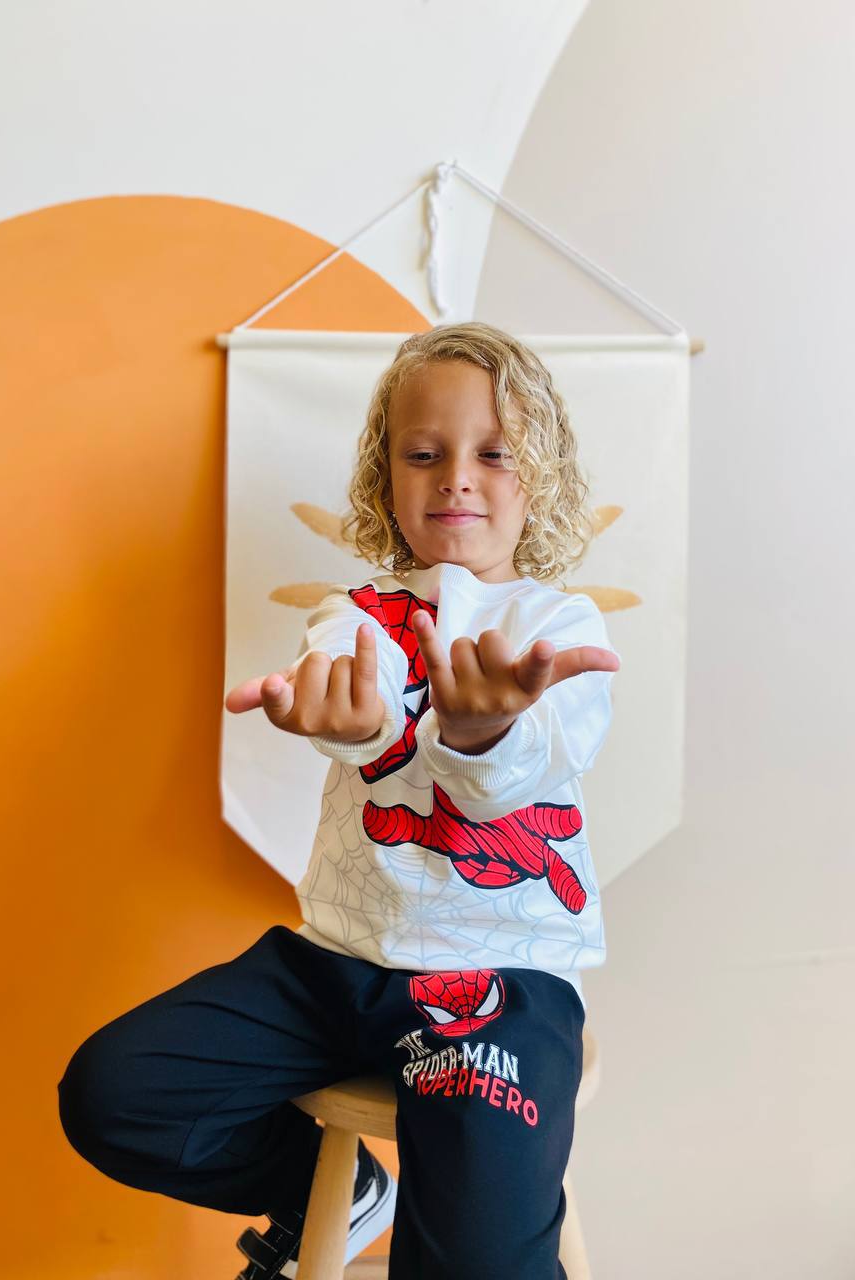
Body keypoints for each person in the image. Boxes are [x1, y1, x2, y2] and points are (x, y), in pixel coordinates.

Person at [57, 321, 621, 1279]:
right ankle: (344, 1189)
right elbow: (353, 690)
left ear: (541, 477)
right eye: (424, 454)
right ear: (384, 478)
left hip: (496, 981)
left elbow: (529, 770)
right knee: (116, 1093)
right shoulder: (354, 614)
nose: (456, 478)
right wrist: (350, 723)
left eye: (493, 454)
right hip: (337, 963)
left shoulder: (560, 628)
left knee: (478, 1259)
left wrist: (481, 734)